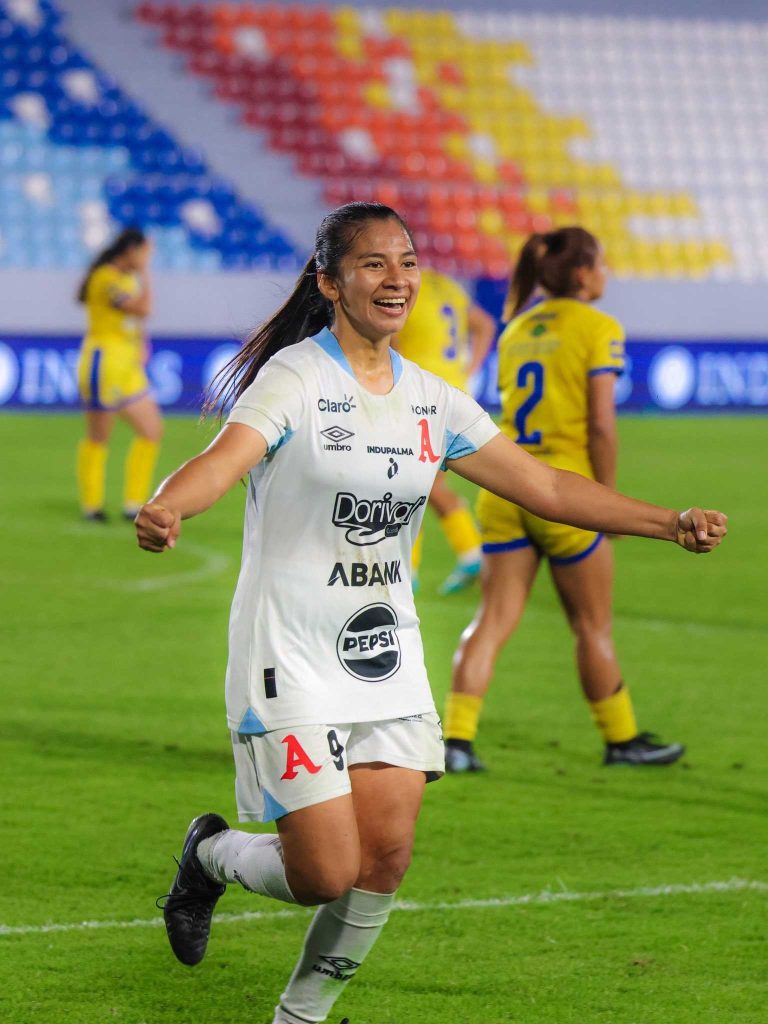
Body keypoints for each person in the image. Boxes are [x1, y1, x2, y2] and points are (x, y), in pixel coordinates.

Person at [134, 204, 726, 1024]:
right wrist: (170, 506)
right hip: (292, 654)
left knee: (388, 856)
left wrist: (667, 521)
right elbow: (224, 458)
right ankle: (211, 854)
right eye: (373, 264)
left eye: (407, 262)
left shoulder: (432, 400)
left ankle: (298, 1018)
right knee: (324, 873)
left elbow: (547, 485)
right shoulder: (298, 377)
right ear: (329, 282)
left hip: (384, 653)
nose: (397, 278)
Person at [444, 226, 689, 774]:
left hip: (506, 487)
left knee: (492, 619)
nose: (605, 274)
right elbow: (601, 424)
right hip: (565, 492)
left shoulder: (517, 328)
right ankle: (622, 739)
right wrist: (607, 499)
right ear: (582, 273)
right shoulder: (598, 327)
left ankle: (456, 741)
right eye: (600, 263)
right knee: (591, 624)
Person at [394, 268, 496, 594]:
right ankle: (468, 554)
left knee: (414, 483)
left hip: (421, 394)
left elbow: (390, 341)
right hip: (453, 391)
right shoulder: (446, 284)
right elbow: (485, 325)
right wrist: (470, 367)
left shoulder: (404, 288)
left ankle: (407, 572)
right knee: (424, 483)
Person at [76, 227, 161, 522]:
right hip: (104, 364)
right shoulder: (105, 277)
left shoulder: (124, 279)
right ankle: (92, 506)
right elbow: (141, 308)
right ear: (131, 251)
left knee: (151, 431)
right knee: (99, 436)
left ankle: (133, 504)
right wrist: (147, 271)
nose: (147, 258)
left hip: (127, 367)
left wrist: (141, 343)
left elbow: (134, 320)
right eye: (145, 252)